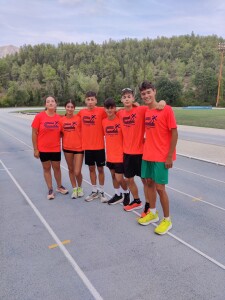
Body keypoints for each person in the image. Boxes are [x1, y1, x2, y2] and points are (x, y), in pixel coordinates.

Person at [137, 80, 178, 235]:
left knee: (160, 188)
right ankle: (153, 213)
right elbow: (129, 105)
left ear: (154, 91)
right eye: (143, 94)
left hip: (161, 156)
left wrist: (169, 156)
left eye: (149, 92)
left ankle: (167, 220)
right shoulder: (145, 111)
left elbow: (174, 133)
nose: (146, 95)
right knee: (148, 183)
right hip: (147, 154)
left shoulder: (166, 109)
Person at [117, 88, 166, 214]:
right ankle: (137, 201)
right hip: (127, 153)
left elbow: (154, 106)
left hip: (140, 153)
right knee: (128, 179)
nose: (127, 99)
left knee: (146, 181)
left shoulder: (141, 110)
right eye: (124, 97)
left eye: (129, 96)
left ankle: (148, 205)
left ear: (133, 98)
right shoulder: (120, 113)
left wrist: (163, 101)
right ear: (121, 100)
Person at [31, 96, 68, 200]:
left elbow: (63, 132)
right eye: (48, 101)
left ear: (56, 104)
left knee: (57, 168)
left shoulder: (59, 118)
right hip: (43, 149)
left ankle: (59, 186)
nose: (50, 103)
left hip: (55, 148)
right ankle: (50, 189)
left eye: (52, 101)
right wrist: (35, 149)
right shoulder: (39, 117)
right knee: (46, 169)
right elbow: (34, 133)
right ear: (45, 105)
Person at [77, 91, 108, 203]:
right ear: (85, 101)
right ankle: (94, 190)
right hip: (88, 147)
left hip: (99, 146)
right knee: (91, 169)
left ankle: (102, 191)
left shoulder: (101, 111)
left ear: (96, 100)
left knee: (100, 169)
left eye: (92, 99)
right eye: (88, 99)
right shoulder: (81, 113)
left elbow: (115, 113)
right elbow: (71, 120)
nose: (90, 102)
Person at [102, 98, 130, 205]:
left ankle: (126, 193)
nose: (109, 110)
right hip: (110, 155)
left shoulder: (120, 119)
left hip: (120, 155)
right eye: (107, 108)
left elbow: (130, 108)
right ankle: (118, 194)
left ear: (115, 108)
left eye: (111, 108)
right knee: (113, 176)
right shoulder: (103, 122)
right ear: (105, 109)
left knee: (119, 178)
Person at [60, 100, 84, 199]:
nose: (70, 109)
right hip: (67, 148)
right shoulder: (61, 120)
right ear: (65, 108)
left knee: (77, 171)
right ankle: (74, 189)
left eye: (72, 107)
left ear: (74, 108)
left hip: (79, 148)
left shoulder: (79, 119)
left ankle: (80, 188)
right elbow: (60, 133)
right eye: (68, 106)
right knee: (71, 169)